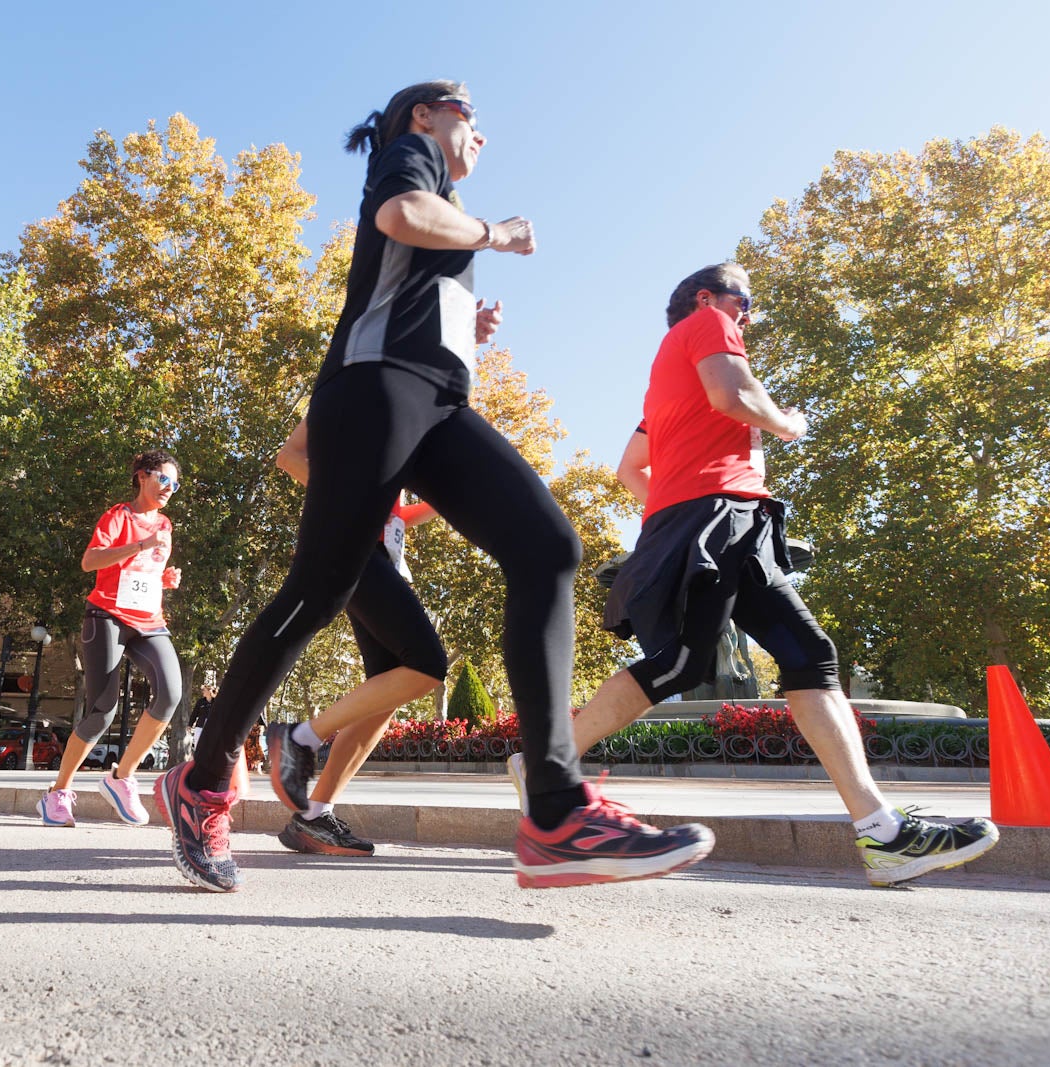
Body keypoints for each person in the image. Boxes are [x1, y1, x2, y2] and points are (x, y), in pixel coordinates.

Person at [154, 81, 713, 893]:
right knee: (318, 589)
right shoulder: (409, 158)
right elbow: (398, 218)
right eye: (468, 113)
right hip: (372, 391)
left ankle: (557, 812)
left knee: (549, 544)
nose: (480, 130)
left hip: (437, 401)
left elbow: (409, 272)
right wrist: (497, 233)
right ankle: (202, 781)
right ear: (425, 115)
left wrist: (464, 324)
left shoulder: (441, 203)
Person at [513, 262, 999, 886]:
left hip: (721, 515)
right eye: (745, 302)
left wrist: (673, 507)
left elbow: (631, 469)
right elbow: (733, 396)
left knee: (805, 656)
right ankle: (544, 765)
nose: (749, 317)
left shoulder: (666, 380)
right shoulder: (707, 323)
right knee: (688, 662)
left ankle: (883, 834)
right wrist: (787, 423)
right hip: (718, 512)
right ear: (708, 296)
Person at [265, 418, 447, 855]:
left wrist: (453, 501)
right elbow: (289, 456)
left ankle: (313, 817)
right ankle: (300, 738)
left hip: (386, 561)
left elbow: (398, 515)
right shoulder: (358, 388)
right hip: (353, 548)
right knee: (425, 664)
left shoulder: (412, 413)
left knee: (385, 697)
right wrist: (356, 500)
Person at [38, 450, 184, 827]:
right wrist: (139, 545)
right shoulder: (118, 516)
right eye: (163, 479)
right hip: (107, 616)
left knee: (171, 693)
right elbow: (91, 561)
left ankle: (121, 777)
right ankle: (58, 794)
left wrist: (165, 580)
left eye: (175, 483)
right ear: (142, 477)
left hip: (149, 621)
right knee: (103, 708)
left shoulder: (165, 525)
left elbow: (148, 570)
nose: (169, 488)